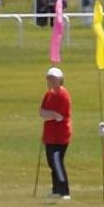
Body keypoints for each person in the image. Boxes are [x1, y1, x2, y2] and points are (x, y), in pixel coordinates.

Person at [39, 67, 72, 199]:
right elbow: (42, 112)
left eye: (54, 79)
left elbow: (58, 116)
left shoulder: (63, 95)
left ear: (60, 80)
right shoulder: (48, 94)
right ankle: (56, 189)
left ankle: (64, 190)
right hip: (49, 135)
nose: (51, 81)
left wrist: (49, 114)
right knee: (52, 163)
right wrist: (49, 114)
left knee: (57, 162)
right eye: (49, 78)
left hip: (60, 136)